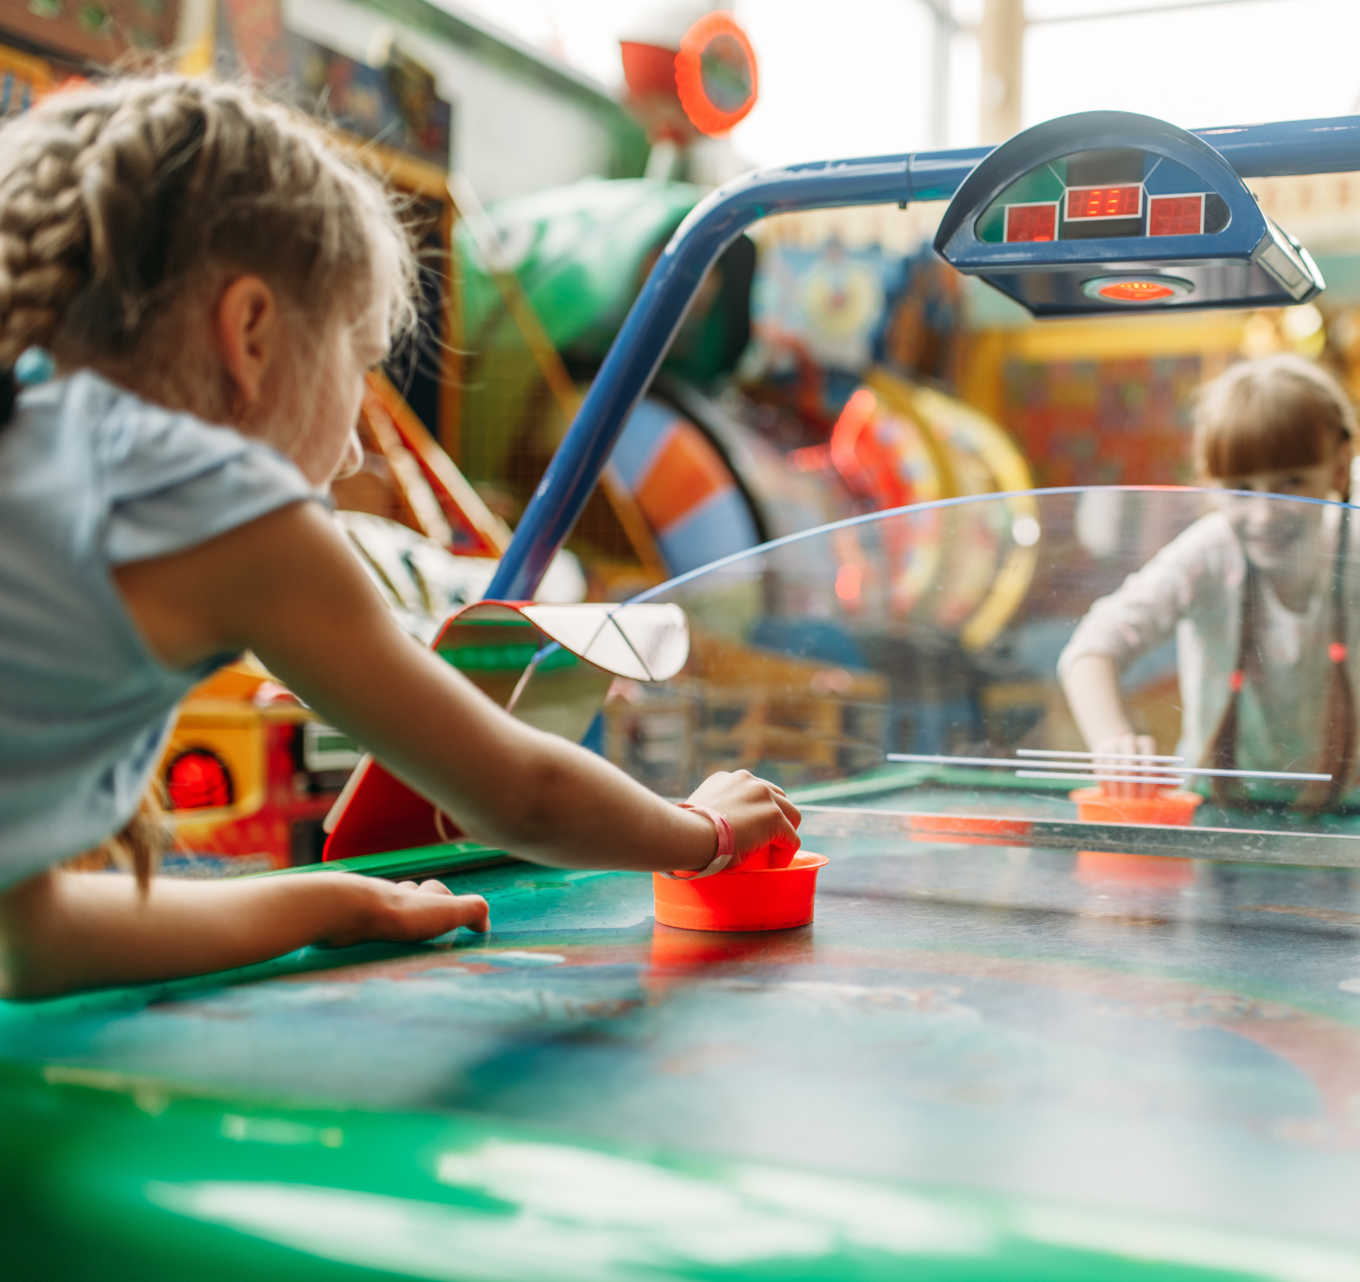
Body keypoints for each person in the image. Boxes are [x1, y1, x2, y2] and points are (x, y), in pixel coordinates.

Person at [0, 76, 799, 1000]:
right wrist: (705, 831)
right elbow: (512, 794)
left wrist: (330, 904)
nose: (347, 453)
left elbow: (35, 943)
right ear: (250, 331)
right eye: (359, 366)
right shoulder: (206, 494)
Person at [1057, 353, 1360, 839]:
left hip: (1340, 811)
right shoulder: (1209, 551)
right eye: (1241, 489)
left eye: (1291, 484)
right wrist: (1112, 740)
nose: (1265, 515)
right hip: (1214, 814)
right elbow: (1092, 648)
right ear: (1209, 480)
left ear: (1339, 466)